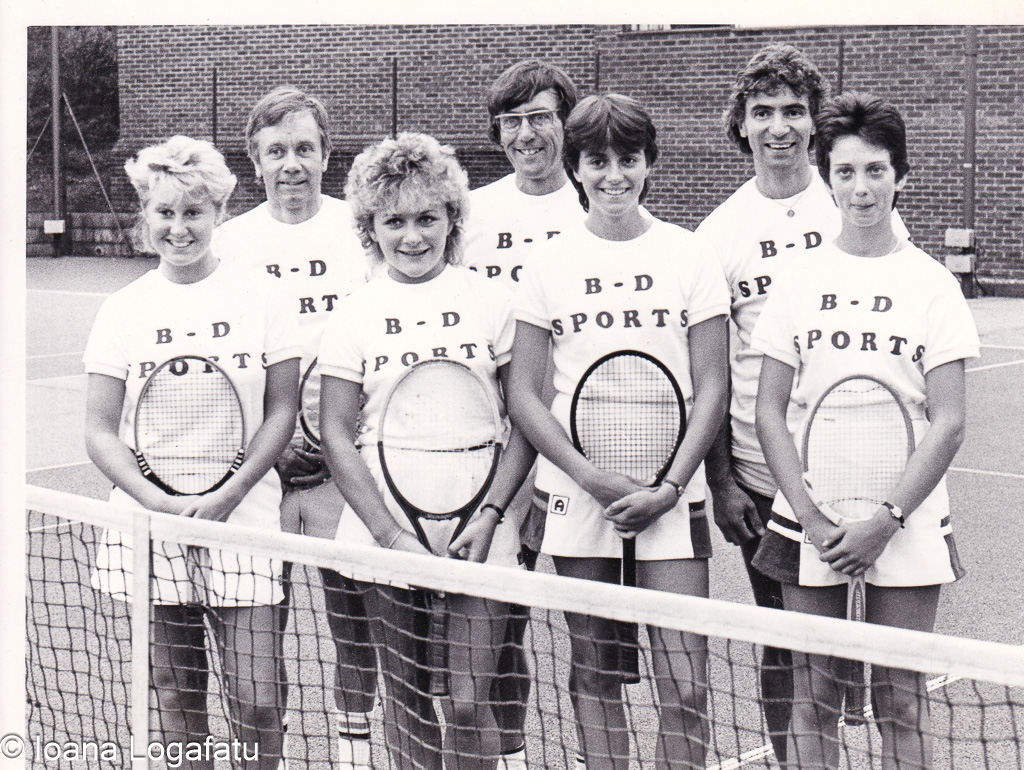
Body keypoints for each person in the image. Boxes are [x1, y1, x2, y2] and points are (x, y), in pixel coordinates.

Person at [694, 43, 909, 767]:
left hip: (869, 470)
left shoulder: (853, 197)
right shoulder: (717, 235)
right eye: (763, 112)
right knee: (789, 645)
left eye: (793, 111)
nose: (780, 126)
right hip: (764, 479)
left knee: (876, 663)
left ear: (816, 124)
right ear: (742, 127)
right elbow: (714, 374)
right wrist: (722, 481)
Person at [751, 92, 979, 769]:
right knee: (814, 697)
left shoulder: (932, 285)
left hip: (906, 520)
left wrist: (886, 517)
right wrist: (810, 515)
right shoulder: (798, 280)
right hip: (808, 519)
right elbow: (769, 411)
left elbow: (951, 418)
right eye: (845, 172)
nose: (860, 188)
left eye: (875, 170)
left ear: (900, 175)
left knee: (901, 700)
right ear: (828, 176)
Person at [508, 94, 730, 770]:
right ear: (575, 168)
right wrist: (590, 476)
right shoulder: (548, 265)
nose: (613, 176)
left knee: (686, 683)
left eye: (627, 160)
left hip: (671, 498)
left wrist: (668, 487)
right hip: (583, 496)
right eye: (597, 162)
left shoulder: (689, 256)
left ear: (648, 163)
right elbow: (523, 391)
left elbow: (712, 385)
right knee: (594, 672)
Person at [318, 132, 536, 770]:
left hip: (480, 525)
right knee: (408, 698)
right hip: (387, 527)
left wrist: (494, 514)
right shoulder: (355, 311)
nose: (412, 236)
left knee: (470, 704)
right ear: (370, 227)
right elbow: (337, 431)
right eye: (394, 221)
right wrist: (391, 538)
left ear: (452, 219)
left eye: (427, 218)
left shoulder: (490, 299)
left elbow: (523, 416)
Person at [84, 135, 300, 769]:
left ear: (219, 215)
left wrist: (227, 496)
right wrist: (159, 504)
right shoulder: (123, 309)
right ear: (144, 219)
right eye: (165, 213)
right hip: (149, 525)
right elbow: (99, 431)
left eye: (194, 212)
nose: (179, 229)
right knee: (176, 693)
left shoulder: (263, 296)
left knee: (257, 698)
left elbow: (282, 409)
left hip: (246, 517)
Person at [212, 85, 377, 770]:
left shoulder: (360, 230)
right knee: (257, 651)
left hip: (345, 468)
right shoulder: (228, 244)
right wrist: (267, 448)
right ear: (254, 161)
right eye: (275, 151)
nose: (291, 165)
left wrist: (338, 435)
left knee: (357, 634)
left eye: (304, 149)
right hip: (259, 477)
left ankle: (355, 754)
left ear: (326, 156)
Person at [462, 58, 582, 770]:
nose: (527, 134)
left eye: (540, 117)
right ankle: (507, 757)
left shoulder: (594, 203)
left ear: (565, 122)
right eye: (512, 121)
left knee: (591, 642)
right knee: (498, 631)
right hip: (490, 454)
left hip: (575, 453)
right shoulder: (473, 213)